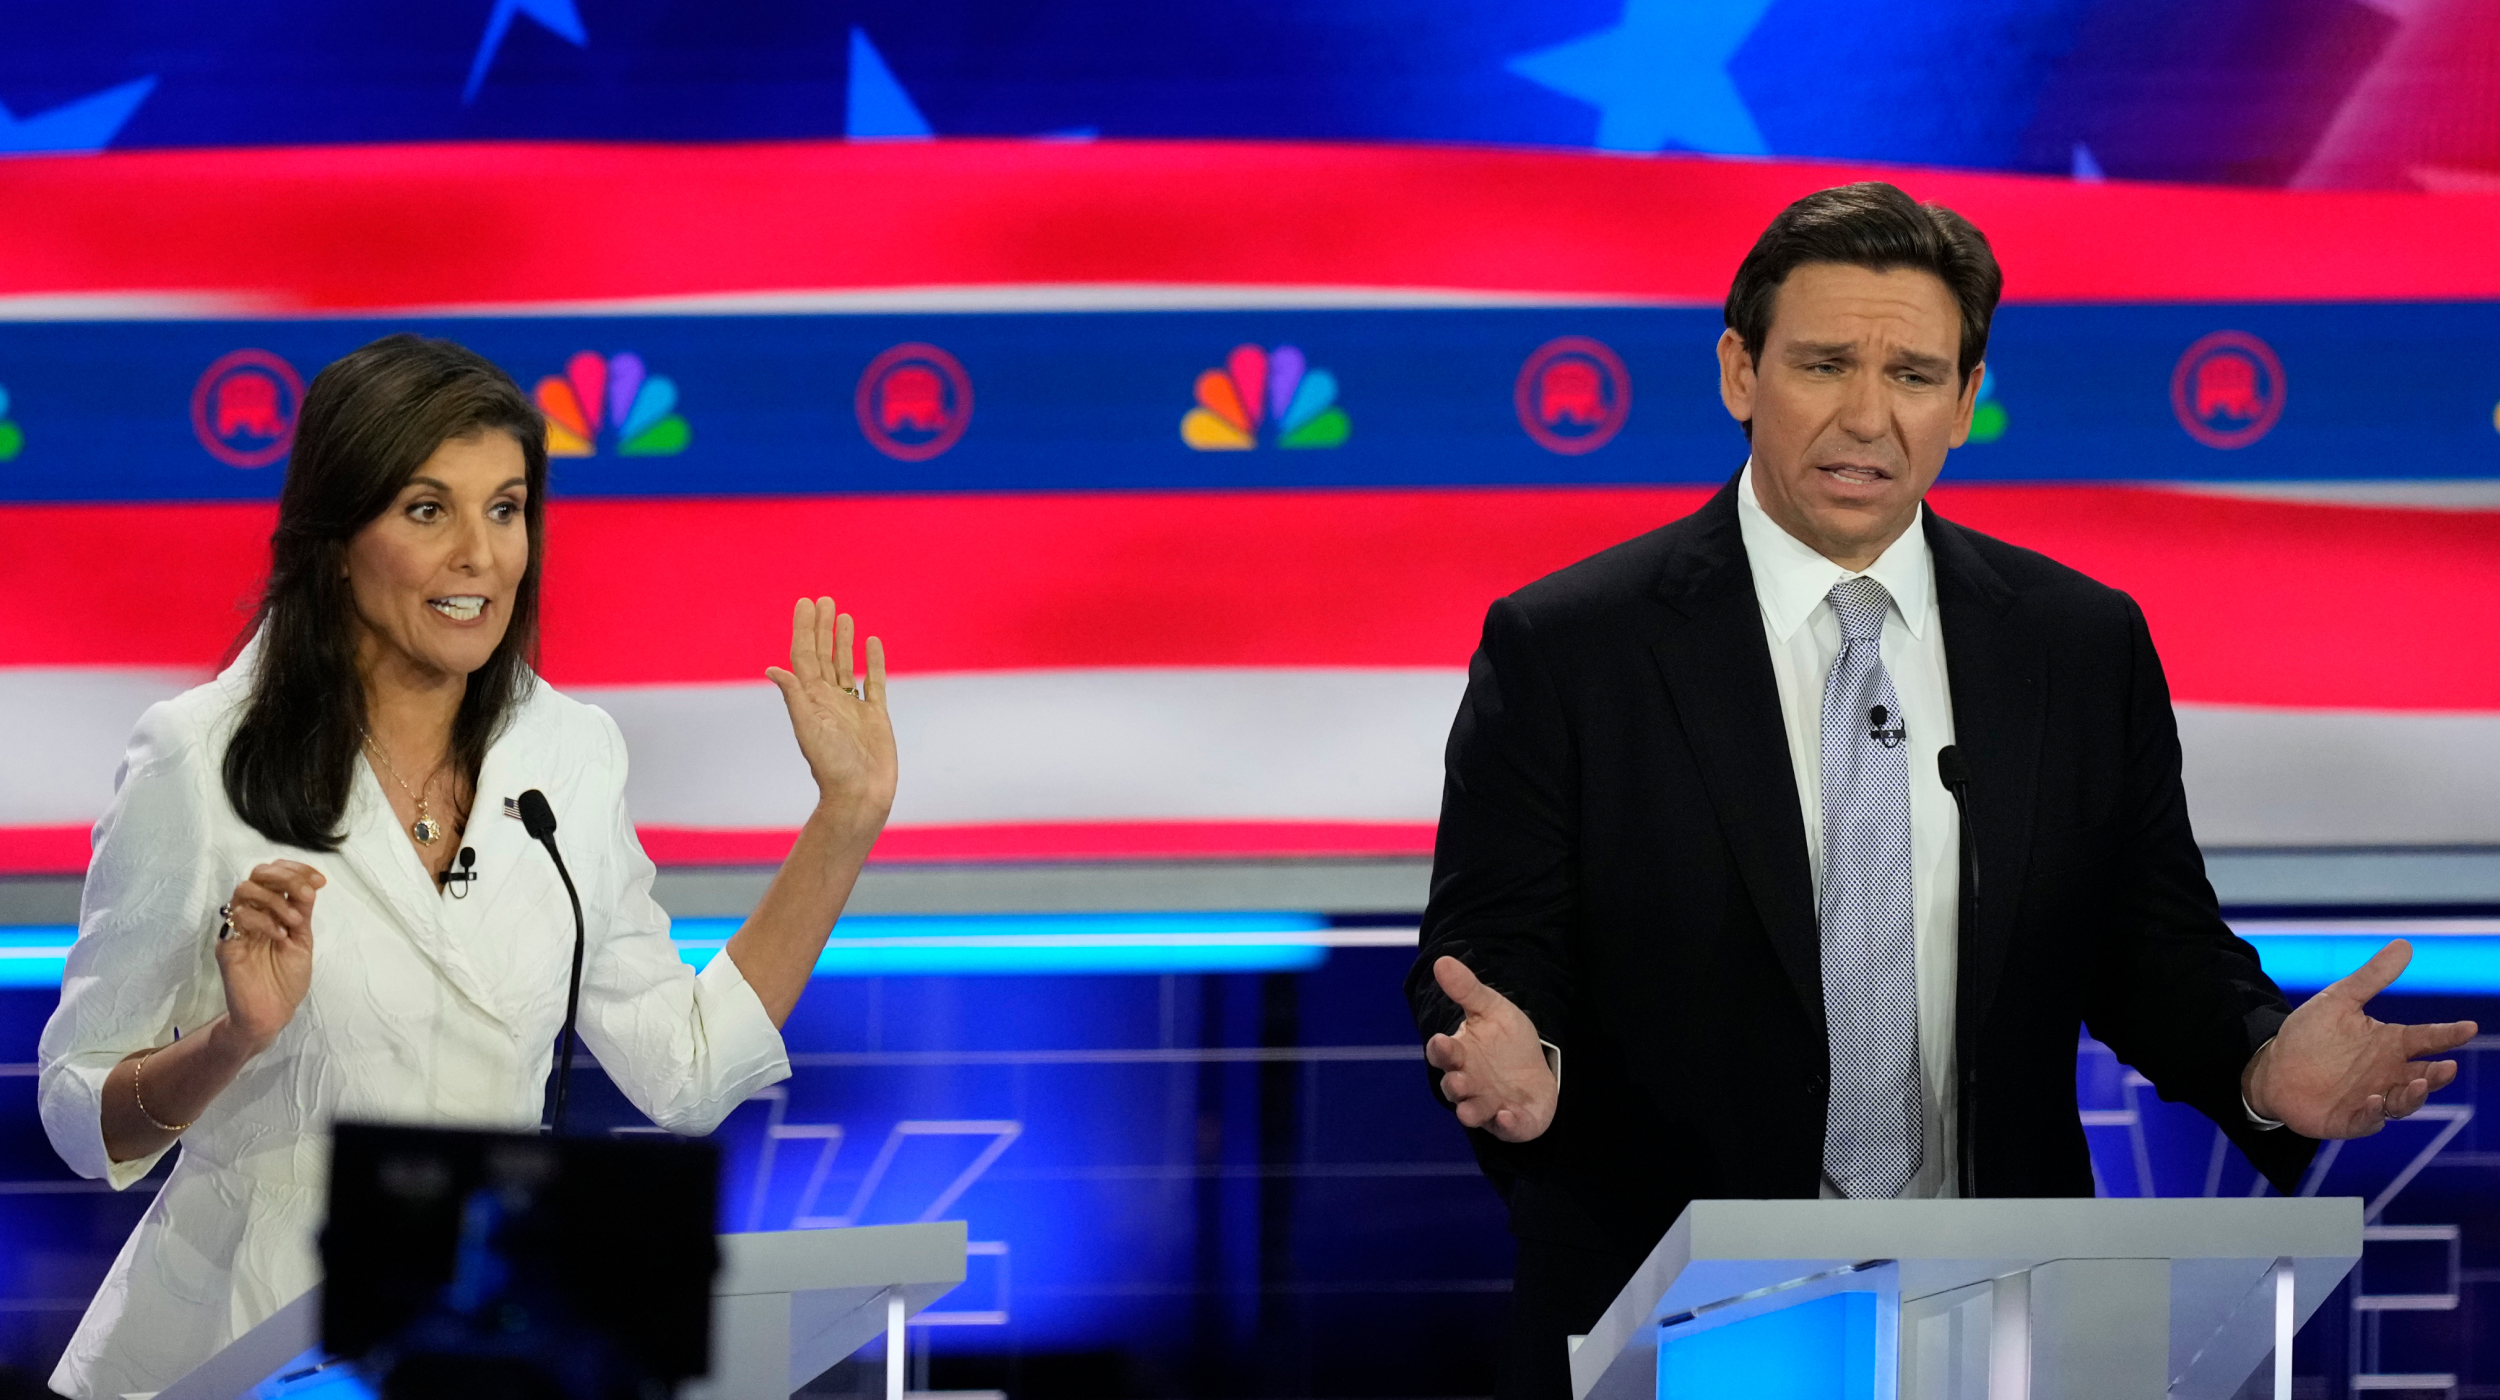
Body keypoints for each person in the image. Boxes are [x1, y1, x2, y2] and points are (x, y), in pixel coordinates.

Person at [1403, 182, 2479, 1400]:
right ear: (1737, 372)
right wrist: (1523, 1058)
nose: (1867, 415)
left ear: (1965, 402)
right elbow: (1491, 948)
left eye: (1914, 375)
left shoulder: (2076, 643)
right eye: (1822, 363)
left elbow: (2149, 945)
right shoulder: (1572, 646)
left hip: (1996, 1312)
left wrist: (2257, 1062)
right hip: (1670, 1314)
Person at [36, 334, 898, 1400]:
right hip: (238, 1347)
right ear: (335, 536)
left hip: (473, 1350)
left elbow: (685, 1070)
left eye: (507, 507)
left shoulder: (569, 751)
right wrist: (233, 1037)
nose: (480, 556)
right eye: (426, 508)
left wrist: (844, 819)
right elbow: (79, 1116)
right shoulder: (198, 754)